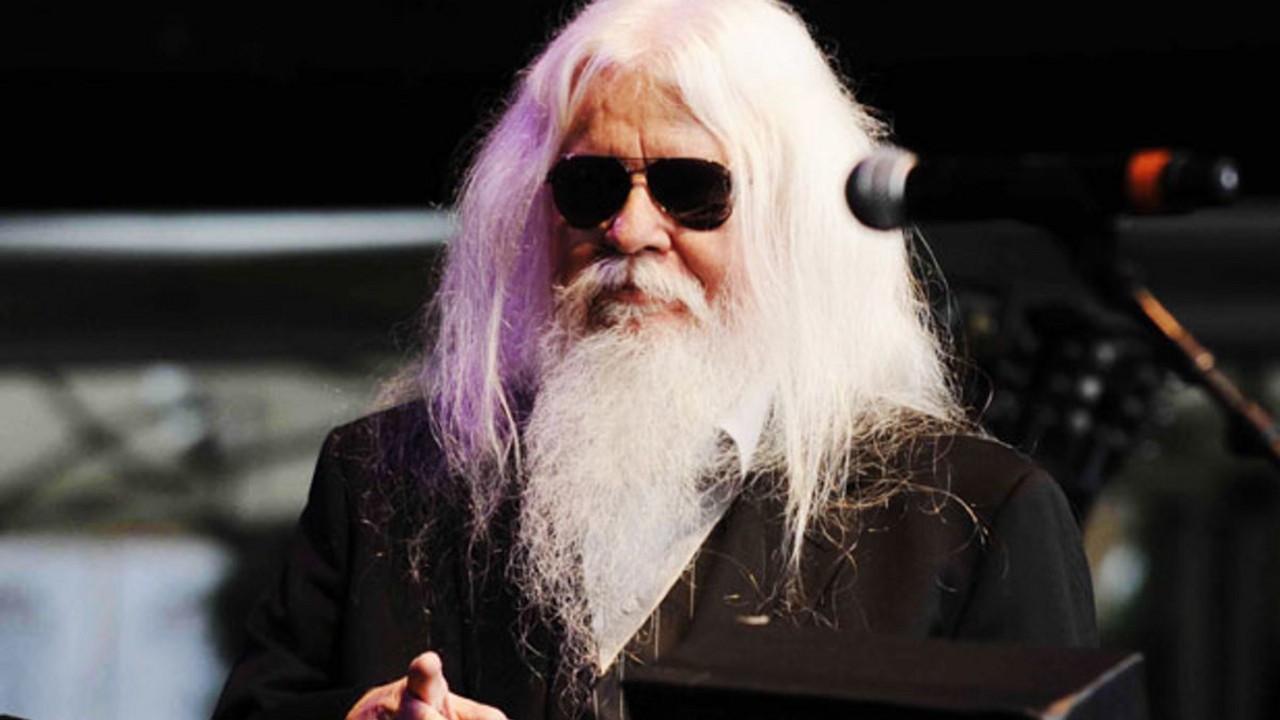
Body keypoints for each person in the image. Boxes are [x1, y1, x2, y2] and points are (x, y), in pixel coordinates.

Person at [213, 1, 1097, 719]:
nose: (630, 230)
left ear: (793, 222)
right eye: (590, 186)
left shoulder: (975, 517)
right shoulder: (383, 482)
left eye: (690, 189)